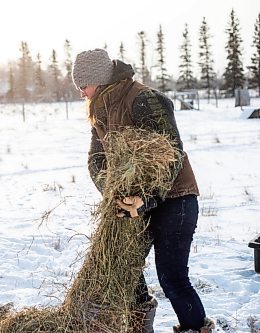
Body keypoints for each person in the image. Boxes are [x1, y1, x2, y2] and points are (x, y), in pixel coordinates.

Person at [71, 48, 214, 333]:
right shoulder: (100, 109)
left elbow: (171, 153)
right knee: (127, 270)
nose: (81, 92)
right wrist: (112, 192)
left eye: (82, 85)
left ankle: (196, 328)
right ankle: (140, 328)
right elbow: (96, 160)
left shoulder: (145, 99)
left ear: (97, 79)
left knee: (171, 277)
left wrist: (146, 199)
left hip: (174, 198)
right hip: (131, 202)